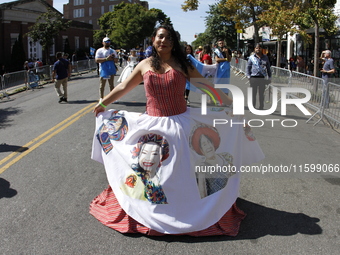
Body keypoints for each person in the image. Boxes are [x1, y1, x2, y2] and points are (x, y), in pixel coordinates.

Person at [90, 24, 264, 236]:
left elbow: (207, 89)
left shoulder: (182, 65)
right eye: (160, 37)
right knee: (154, 173)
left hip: (180, 124)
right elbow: (123, 87)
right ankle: (152, 210)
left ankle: (186, 209)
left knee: (179, 173)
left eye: (168, 38)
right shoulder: (144, 65)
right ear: (153, 40)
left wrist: (232, 105)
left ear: (174, 43)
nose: (164, 41)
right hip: (151, 125)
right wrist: (104, 104)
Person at [246, 43, 272, 110]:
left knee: (261, 93)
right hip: (253, 77)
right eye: (257, 48)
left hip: (262, 78)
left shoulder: (265, 57)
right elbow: (248, 67)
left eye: (259, 48)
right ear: (255, 49)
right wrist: (248, 76)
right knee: (253, 93)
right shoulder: (252, 58)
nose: (258, 49)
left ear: (261, 49)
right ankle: (253, 107)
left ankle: (261, 107)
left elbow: (268, 68)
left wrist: (269, 77)